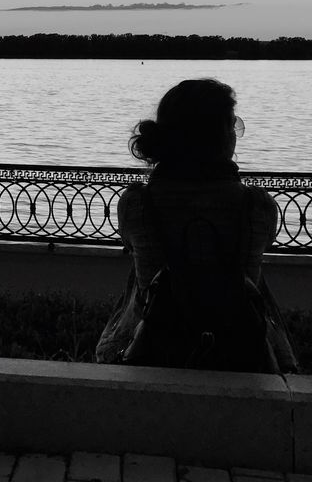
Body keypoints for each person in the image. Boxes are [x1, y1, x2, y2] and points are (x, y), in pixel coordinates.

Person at [95, 78, 297, 372]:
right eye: (232, 126)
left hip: (148, 348)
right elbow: (263, 247)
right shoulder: (258, 206)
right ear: (222, 137)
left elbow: (129, 244)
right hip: (242, 352)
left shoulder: (137, 203)